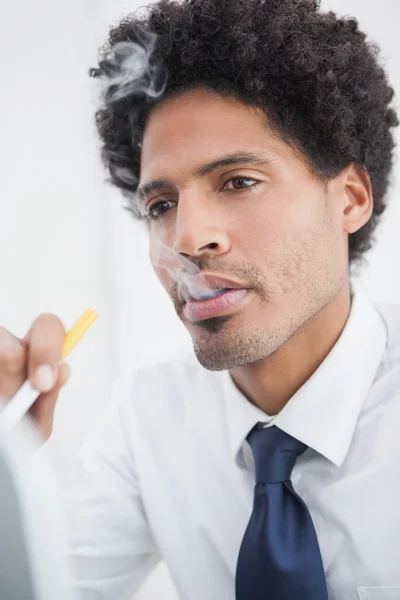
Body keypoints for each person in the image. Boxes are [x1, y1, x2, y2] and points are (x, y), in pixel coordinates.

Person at [1, 0, 400, 598]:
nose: (186, 238)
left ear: (349, 199)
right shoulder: (151, 412)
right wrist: (10, 476)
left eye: (238, 182)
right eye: (161, 206)